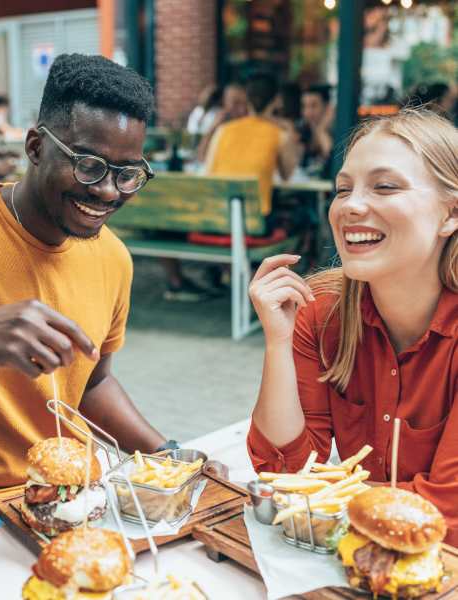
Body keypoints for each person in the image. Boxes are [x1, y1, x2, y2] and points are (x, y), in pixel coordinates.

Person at [0, 53, 175, 562]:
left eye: (127, 173)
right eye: (88, 164)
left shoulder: (114, 258)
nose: (107, 190)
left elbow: (93, 381)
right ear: (36, 146)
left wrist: (170, 456)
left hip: (78, 491)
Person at [247, 108, 458, 546]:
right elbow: (285, 474)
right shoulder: (320, 310)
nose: (351, 206)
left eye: (385, 187)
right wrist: (277, 343)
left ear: (451, 214)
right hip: (369, 552)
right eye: (343, 189)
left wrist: (321, 503)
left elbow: (448, 513)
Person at [205, 72, 297, 218]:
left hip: (218, 217)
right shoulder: (280, 135)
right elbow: (287, 176)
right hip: (254, 222)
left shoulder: (222, 131)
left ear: (246, 100)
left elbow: (208, 172)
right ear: (277, 100)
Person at [298, 84, 334, 179]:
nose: (307, 112)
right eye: (304, 106)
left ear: (327, 108)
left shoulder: (337, 133)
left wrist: (321, 131)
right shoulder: (302, 132)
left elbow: (334, 164)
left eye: (313, 106)